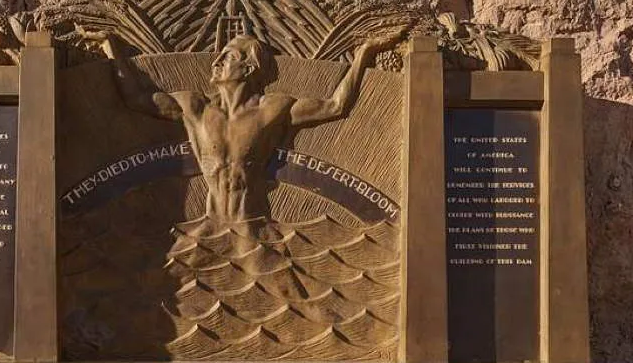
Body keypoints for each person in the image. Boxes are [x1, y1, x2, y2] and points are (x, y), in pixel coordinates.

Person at [82, 29, 400, 222]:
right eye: (218, 55)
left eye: (227, 56)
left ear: (249, 66)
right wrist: (111, 48)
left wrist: (363, 55)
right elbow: (138, 99)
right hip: (208, 225)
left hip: (253, 227)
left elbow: (336, 106)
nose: (217, 61)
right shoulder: (194, 106)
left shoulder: (272, 109)